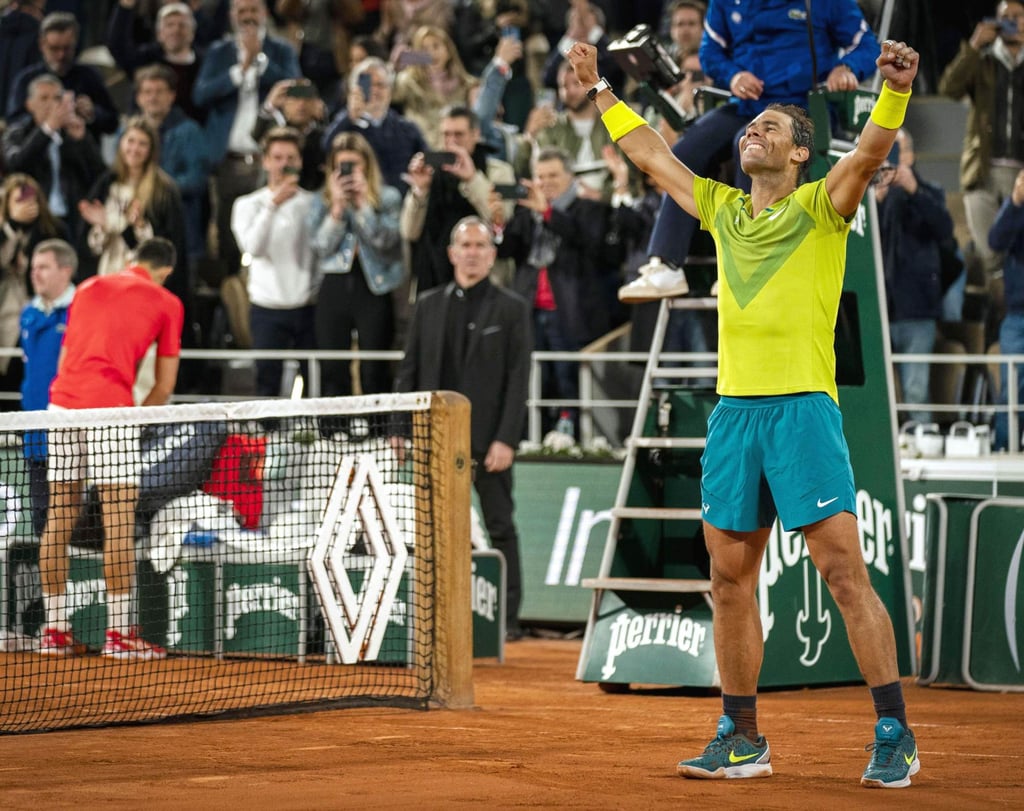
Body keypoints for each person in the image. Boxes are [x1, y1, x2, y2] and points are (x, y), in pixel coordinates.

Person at [566, 37, 921, 787]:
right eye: (747, 129)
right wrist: (600, 90)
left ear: (799, 156)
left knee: (843, 573)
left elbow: (864, 155)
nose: (751, 133)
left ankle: (893, 727)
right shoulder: (722, 209)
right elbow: (654, 158)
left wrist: (893, 90)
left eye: (770, 130)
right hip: (734, 417)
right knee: (728, 579)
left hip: (802, 412)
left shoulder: (823, 206)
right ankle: (742, 734)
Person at [619, 0, 880, 302]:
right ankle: (665, 264)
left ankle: (745, 264)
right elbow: (710, 52)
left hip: (800, 107)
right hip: (746, 105)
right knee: (687, 148)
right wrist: (732, 76)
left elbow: (866, 46)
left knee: (747, 146)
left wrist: (847, 68)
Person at [37, 236, 184, 660]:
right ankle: (119, 634)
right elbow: (165, 385)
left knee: (59, 514)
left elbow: (67, 359)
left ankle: (55, 630)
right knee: (118, 517)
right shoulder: (168, 302)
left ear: (131, 259)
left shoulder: (86, 287)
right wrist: (138, 420)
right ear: (167, 270)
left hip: (60, 406)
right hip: (111, 410)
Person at [394, 215, 530, 639]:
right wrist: (400, 428)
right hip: (436, 441)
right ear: (452, 253)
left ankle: (507, 619)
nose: (472, 253)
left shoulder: (513, 309)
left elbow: (518, 379)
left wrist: (506, 439)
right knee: (433, 529)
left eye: (480, 246)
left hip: (489, 442)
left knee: (500, 527)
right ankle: (435, 614)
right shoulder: (428, 305)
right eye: (464, 245)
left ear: (492, 256)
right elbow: (410, 370)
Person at [497, 147, 620, 435]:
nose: (545, 182)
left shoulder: (589, 209)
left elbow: (590, 245)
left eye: (552, 175)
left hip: (571, 312)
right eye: (539, 176)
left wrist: (549, 213)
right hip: (530, 309)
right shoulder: (526, 211)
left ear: (570, 177)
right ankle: (534, 435)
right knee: (535, 379)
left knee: (569, 379)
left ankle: (574, 436)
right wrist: (497, 221)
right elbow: (506, 249)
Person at [192, 0, 300, 282]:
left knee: (272, 224)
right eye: (241, 11)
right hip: (229, 162)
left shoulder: (281, 50)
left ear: (264, 13)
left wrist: (260, 61)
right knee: (228, 231)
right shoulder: (219, 52)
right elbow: (200, 95)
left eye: (253, 10)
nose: (247, 17)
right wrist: (240, 69)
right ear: (231, 16)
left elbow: (295, 88)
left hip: (271, 161)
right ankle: (233, 297)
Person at [308, 131, 403, 398]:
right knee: (333, 363)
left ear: (367, 166)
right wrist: (337, 209)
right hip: (334, 284)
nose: (348, 173)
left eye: (354, 165)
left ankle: (378, 428)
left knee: (375, 364)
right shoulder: (321, 200)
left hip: (375, 285)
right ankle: (334, 430)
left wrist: (362, 205)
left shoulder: (389, 198)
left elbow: (387, 241)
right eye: (341, 167)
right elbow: (319, 247)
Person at [938, 2, 1024, 282]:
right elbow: (949, 88)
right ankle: (996, 317)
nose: (1011, 22)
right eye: (1004, 18)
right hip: (983, 170)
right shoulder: (983, 61)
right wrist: (973, 46)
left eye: (1017, 17)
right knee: (989, 258)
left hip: (1021, 173)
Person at [875, 128, 955, 425]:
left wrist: (914, 191)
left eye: (899, 151)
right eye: (888, 151)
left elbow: (945, 230)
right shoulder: (867, 192)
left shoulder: (929, 191)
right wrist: (876, 202)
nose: (894, 158)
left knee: (915, 388)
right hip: (879, 307)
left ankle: (923, 441)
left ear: (911, 155)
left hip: (917, 308)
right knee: (879, 391)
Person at [230, 126, 316, 398]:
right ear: (265, 160)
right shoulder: (247, 204)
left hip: (309, 304)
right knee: (267, 379)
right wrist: (273, 204)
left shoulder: (313, 203)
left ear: (300, 161)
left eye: (291, 158)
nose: (284, 165)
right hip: (266, 306)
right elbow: (252, 247)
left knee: (316, 378)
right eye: (277, 157)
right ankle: (267, 434)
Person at [402, 105, 515, 295]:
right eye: (446, 135)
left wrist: (472, 179)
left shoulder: (500, 171)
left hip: (487, 280)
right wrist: (420, 189)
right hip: (433, 280)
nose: (452, 142)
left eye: (459, 134)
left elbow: (502, 218)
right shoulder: (430, 173)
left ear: (475, 134)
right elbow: (409, 232)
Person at [1, 73, 106, 239]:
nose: (51, 104)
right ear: (29, 105)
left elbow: (101, 177)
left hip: (73, 220)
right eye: (44, 98)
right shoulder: (16, 134)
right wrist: (47, 129)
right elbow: (16, 164)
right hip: (33, 221)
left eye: (57, 98)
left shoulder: (73, 133)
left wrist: (82, 140)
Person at [20, 238, 76, 536]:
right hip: (35, 431)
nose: (35, 273)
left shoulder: (82, 310)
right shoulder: (28, 313)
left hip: (71, 432)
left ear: (65, 271)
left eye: (43, 267)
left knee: (72, 516)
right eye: (33, 268)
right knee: (42, 519)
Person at [0, 174, 70, 405]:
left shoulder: (53, 230)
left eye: (31, 198)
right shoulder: (4, 231)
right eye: (18, 199)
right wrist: (11, 227)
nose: (26, 205)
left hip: (44, 314)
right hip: (6, 312)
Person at [321, 56, 429, 195]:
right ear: (355, 90)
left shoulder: (407, 129)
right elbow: (326, 148)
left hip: (403, 202)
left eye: (380, 85)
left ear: (390, 91)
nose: (374, 90)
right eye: (368, 85)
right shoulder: (345, 126)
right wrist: (349, 117)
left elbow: (427, 160)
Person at [6, 11, 119, 140]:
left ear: (75, 43)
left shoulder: (89, 76)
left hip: (83, 156)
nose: (61, 55)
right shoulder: (26, 79)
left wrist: (93, 113)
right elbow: (13, 123)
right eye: (54, 49)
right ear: (42, 45)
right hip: (37, 156)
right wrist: (44, 116)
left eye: (67, 48)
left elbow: (113, 123)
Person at [107, 0, 207, 123]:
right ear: (159, 34)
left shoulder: (205, 64)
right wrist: (126, 6)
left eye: (182, 25)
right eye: (169, 25)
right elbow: (118, 47)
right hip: (146, 135)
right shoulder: (146, 60)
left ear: (192, 33)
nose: (176, 30)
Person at [392, 25, 478, 148]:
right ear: (417, 55)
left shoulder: (466, 85)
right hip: (421, 148)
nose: (431, 53)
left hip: (456, 148)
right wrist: (394, 67)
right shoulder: (407, 82)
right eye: (424, 49)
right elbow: (387, 97)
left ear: (448, 51)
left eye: (436, 46)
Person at [989, 168, 1024, 450]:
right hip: (1017, 315)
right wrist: (1015, 200)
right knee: (1010, 391)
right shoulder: (1016, 208)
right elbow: (995, 241)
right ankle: (1004, 447)